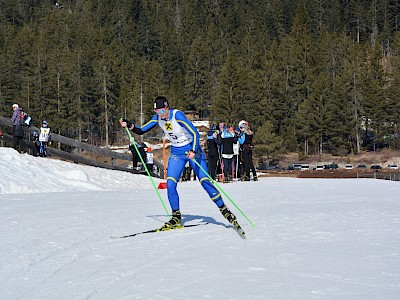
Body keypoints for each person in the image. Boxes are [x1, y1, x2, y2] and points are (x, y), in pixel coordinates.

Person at [120, 96, 241, 230]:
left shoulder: (177, 115)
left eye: (162, 111)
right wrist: (129, 125)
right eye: (157, 112)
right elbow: (142, 130)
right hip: (177, 153)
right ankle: (176, 217)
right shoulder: (158, 118)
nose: (160, 114)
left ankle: (224, 209)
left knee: (205, 182)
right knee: (170, 183)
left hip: (192, 151)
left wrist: (194, 150)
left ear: (167, 108)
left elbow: (195, 133)